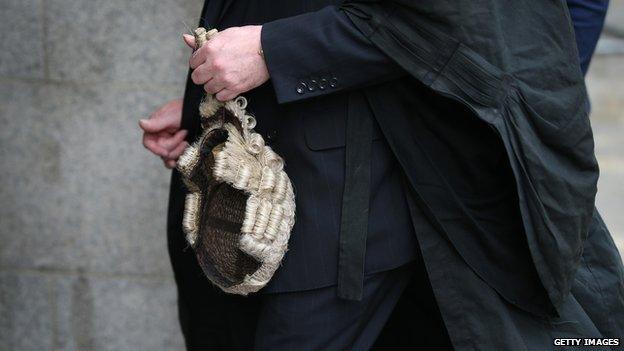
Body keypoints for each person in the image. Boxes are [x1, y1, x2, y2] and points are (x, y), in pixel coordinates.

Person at [140, 0, 624, 350]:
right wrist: (201, 107)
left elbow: (464, 19)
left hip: (349, 192)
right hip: (254, 165)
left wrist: (275, 51)